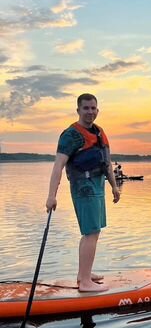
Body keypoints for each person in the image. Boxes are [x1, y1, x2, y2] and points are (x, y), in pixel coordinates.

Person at [46, 93, 120, 292]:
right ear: (78, 110)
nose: (90, 112)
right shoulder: (70, 135)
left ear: (98, 110)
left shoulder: (99, 132)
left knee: (92, 232)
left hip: (98, 185)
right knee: (91, 232)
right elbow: (58, 166)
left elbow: (107, 162)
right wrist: (51, 195)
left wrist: (114, 186)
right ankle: (86, 283)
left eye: (93, 108)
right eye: (86, 108)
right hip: (83, 187)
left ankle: (83, 274)